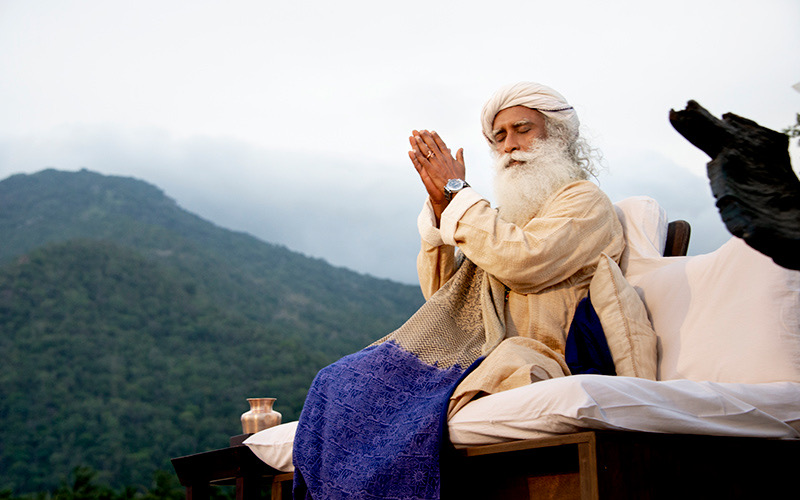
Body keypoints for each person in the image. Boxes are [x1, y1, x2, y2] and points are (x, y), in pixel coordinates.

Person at [408, 81, 624, 398]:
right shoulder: (496, 223)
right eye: (500, 136)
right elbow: (441, 296)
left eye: (522, 129)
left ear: (559, 135)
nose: (510, 145)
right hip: (483, 358)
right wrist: (443, 208)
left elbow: (521, 260)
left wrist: (457, 193)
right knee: (341, 382)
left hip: (548, 362)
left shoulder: (585, 201)